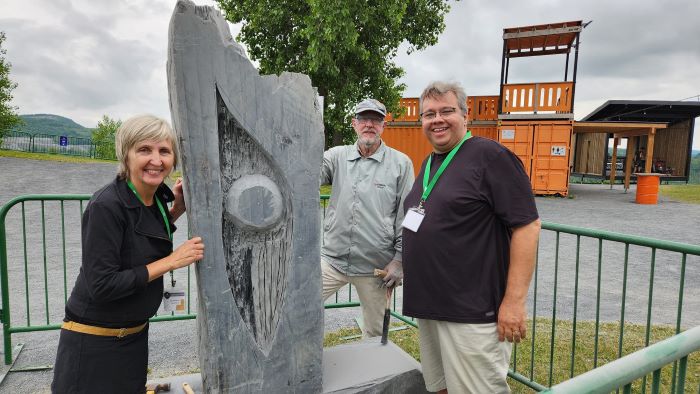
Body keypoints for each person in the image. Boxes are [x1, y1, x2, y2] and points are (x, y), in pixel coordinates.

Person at [402, 82, 541, 393]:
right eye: (428, 114)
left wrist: (514, 303)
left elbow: (527, 226)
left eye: (446, 111)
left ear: (465, 116)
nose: (436, 119)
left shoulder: (490, 156)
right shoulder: (430, 162)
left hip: (471, 312)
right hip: (431, 307)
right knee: (441, 386)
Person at [51, 115, 205, 393]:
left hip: (133, 338)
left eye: (164, 151)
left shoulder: (155, 198)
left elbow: (138, 240)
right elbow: (102, 285)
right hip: (94, 345)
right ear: (126, 155)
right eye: (144, 150)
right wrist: (171, 261)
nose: (156, 160)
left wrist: (175, 212)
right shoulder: (107, 205)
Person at [320, 98, 414, 338]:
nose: (369, 124)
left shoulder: (401, 164)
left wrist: (400, 259)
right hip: (333, 261)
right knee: (298, 307)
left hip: (376, 268)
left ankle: (373, 373)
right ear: (354, 124)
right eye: (364, 119)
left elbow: (408, 214)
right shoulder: (336, 156)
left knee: (375, 334)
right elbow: (307, 172)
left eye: (376, 120)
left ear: (384, 125)